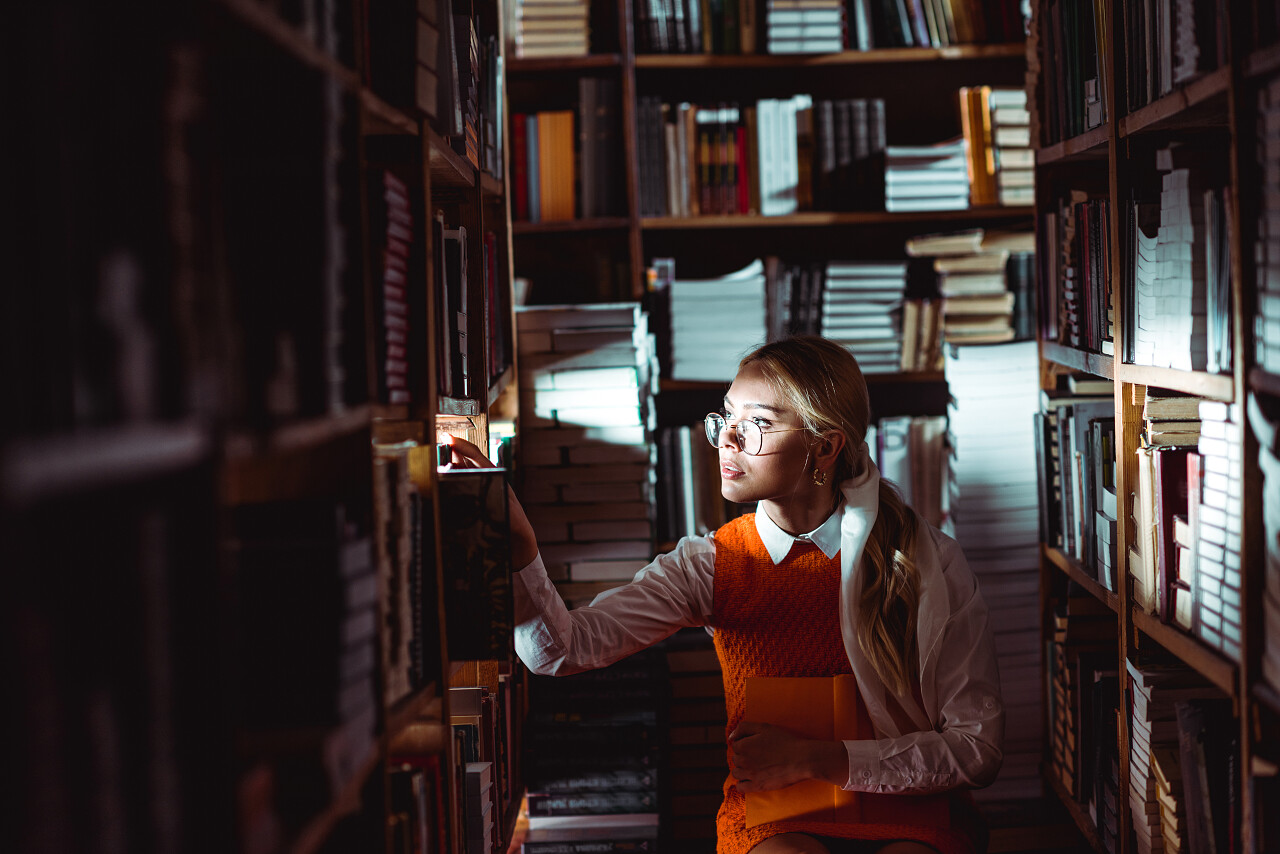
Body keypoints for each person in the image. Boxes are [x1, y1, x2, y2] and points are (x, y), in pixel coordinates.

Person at [447, 336, 1004, 854]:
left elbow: (977, 750)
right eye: (727, 417)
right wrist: (520, 551)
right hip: (775, 814)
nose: (727, 440)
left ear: (825, 447)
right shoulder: (711, 564)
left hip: (911, 807)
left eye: (757, 422)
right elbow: (559, 651)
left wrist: (819, 758)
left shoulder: (925, 561)